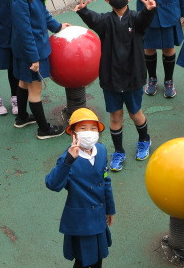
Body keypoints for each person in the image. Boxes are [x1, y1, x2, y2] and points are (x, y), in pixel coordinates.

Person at [74, 0, 156, 172]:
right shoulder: (105, 21)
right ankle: (118, 151)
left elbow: (144, 21)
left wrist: (149, 10)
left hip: (133, 76)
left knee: (135, 113)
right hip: (111, 78)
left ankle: (144, 140)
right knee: (115, 116)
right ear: (106, 0)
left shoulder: (136, 19)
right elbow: (93, 19)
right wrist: (83, 11)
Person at [45, 108, 115, 268]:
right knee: (82, 261)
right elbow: (52, 184)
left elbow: (106, 181)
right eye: (83, 128)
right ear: (73, 133)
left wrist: (109, 209)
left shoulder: (101, 151)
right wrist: (69, 160)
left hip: (98, 217)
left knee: (98, 258)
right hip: (81, 222)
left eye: (93, 128)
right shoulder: (67, 159)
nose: (89, 133)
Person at [11, 0, 69, 139]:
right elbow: (25, 31)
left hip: (30, 49)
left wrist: (57, 26)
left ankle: (21, 117)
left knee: (23, 82)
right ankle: (44, 129)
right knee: (35, 89)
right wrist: (34, 58)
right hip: (32, 50)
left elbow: (43, 14)